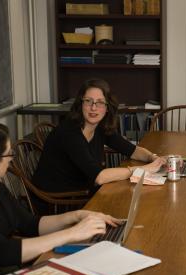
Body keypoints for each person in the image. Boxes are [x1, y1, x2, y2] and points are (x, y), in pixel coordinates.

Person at [0, 120, 120, 272]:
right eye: (9, 154)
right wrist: (73, 233)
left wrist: (76, 216)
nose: (11, 158)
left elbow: (30, 224)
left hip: (10, 267)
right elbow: (5, 253)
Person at [33, 78, 165, 197]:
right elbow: (99, 177)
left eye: (100, 102)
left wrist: (154, 159)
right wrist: (144, 169)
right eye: (88, 101)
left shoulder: (100, 127)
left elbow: (133, 150)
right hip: (59, 200)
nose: (93, 108)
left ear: (107, 108)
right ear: (80, 104)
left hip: (82, 189)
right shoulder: (69, 133)